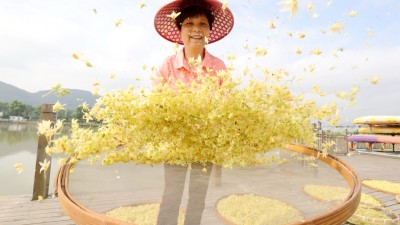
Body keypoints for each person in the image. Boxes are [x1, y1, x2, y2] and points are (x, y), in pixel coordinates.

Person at [153, 1, 234, 224]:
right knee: (171, 195)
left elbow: (227, 105)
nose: (196, 29)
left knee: (198, 196)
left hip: (205, 144)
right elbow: (155, 105)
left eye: (202, 24)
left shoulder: (218, 67)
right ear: (180, 31)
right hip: (175, 142)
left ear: (210, 31)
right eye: (189, 23)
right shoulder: (168, 65)